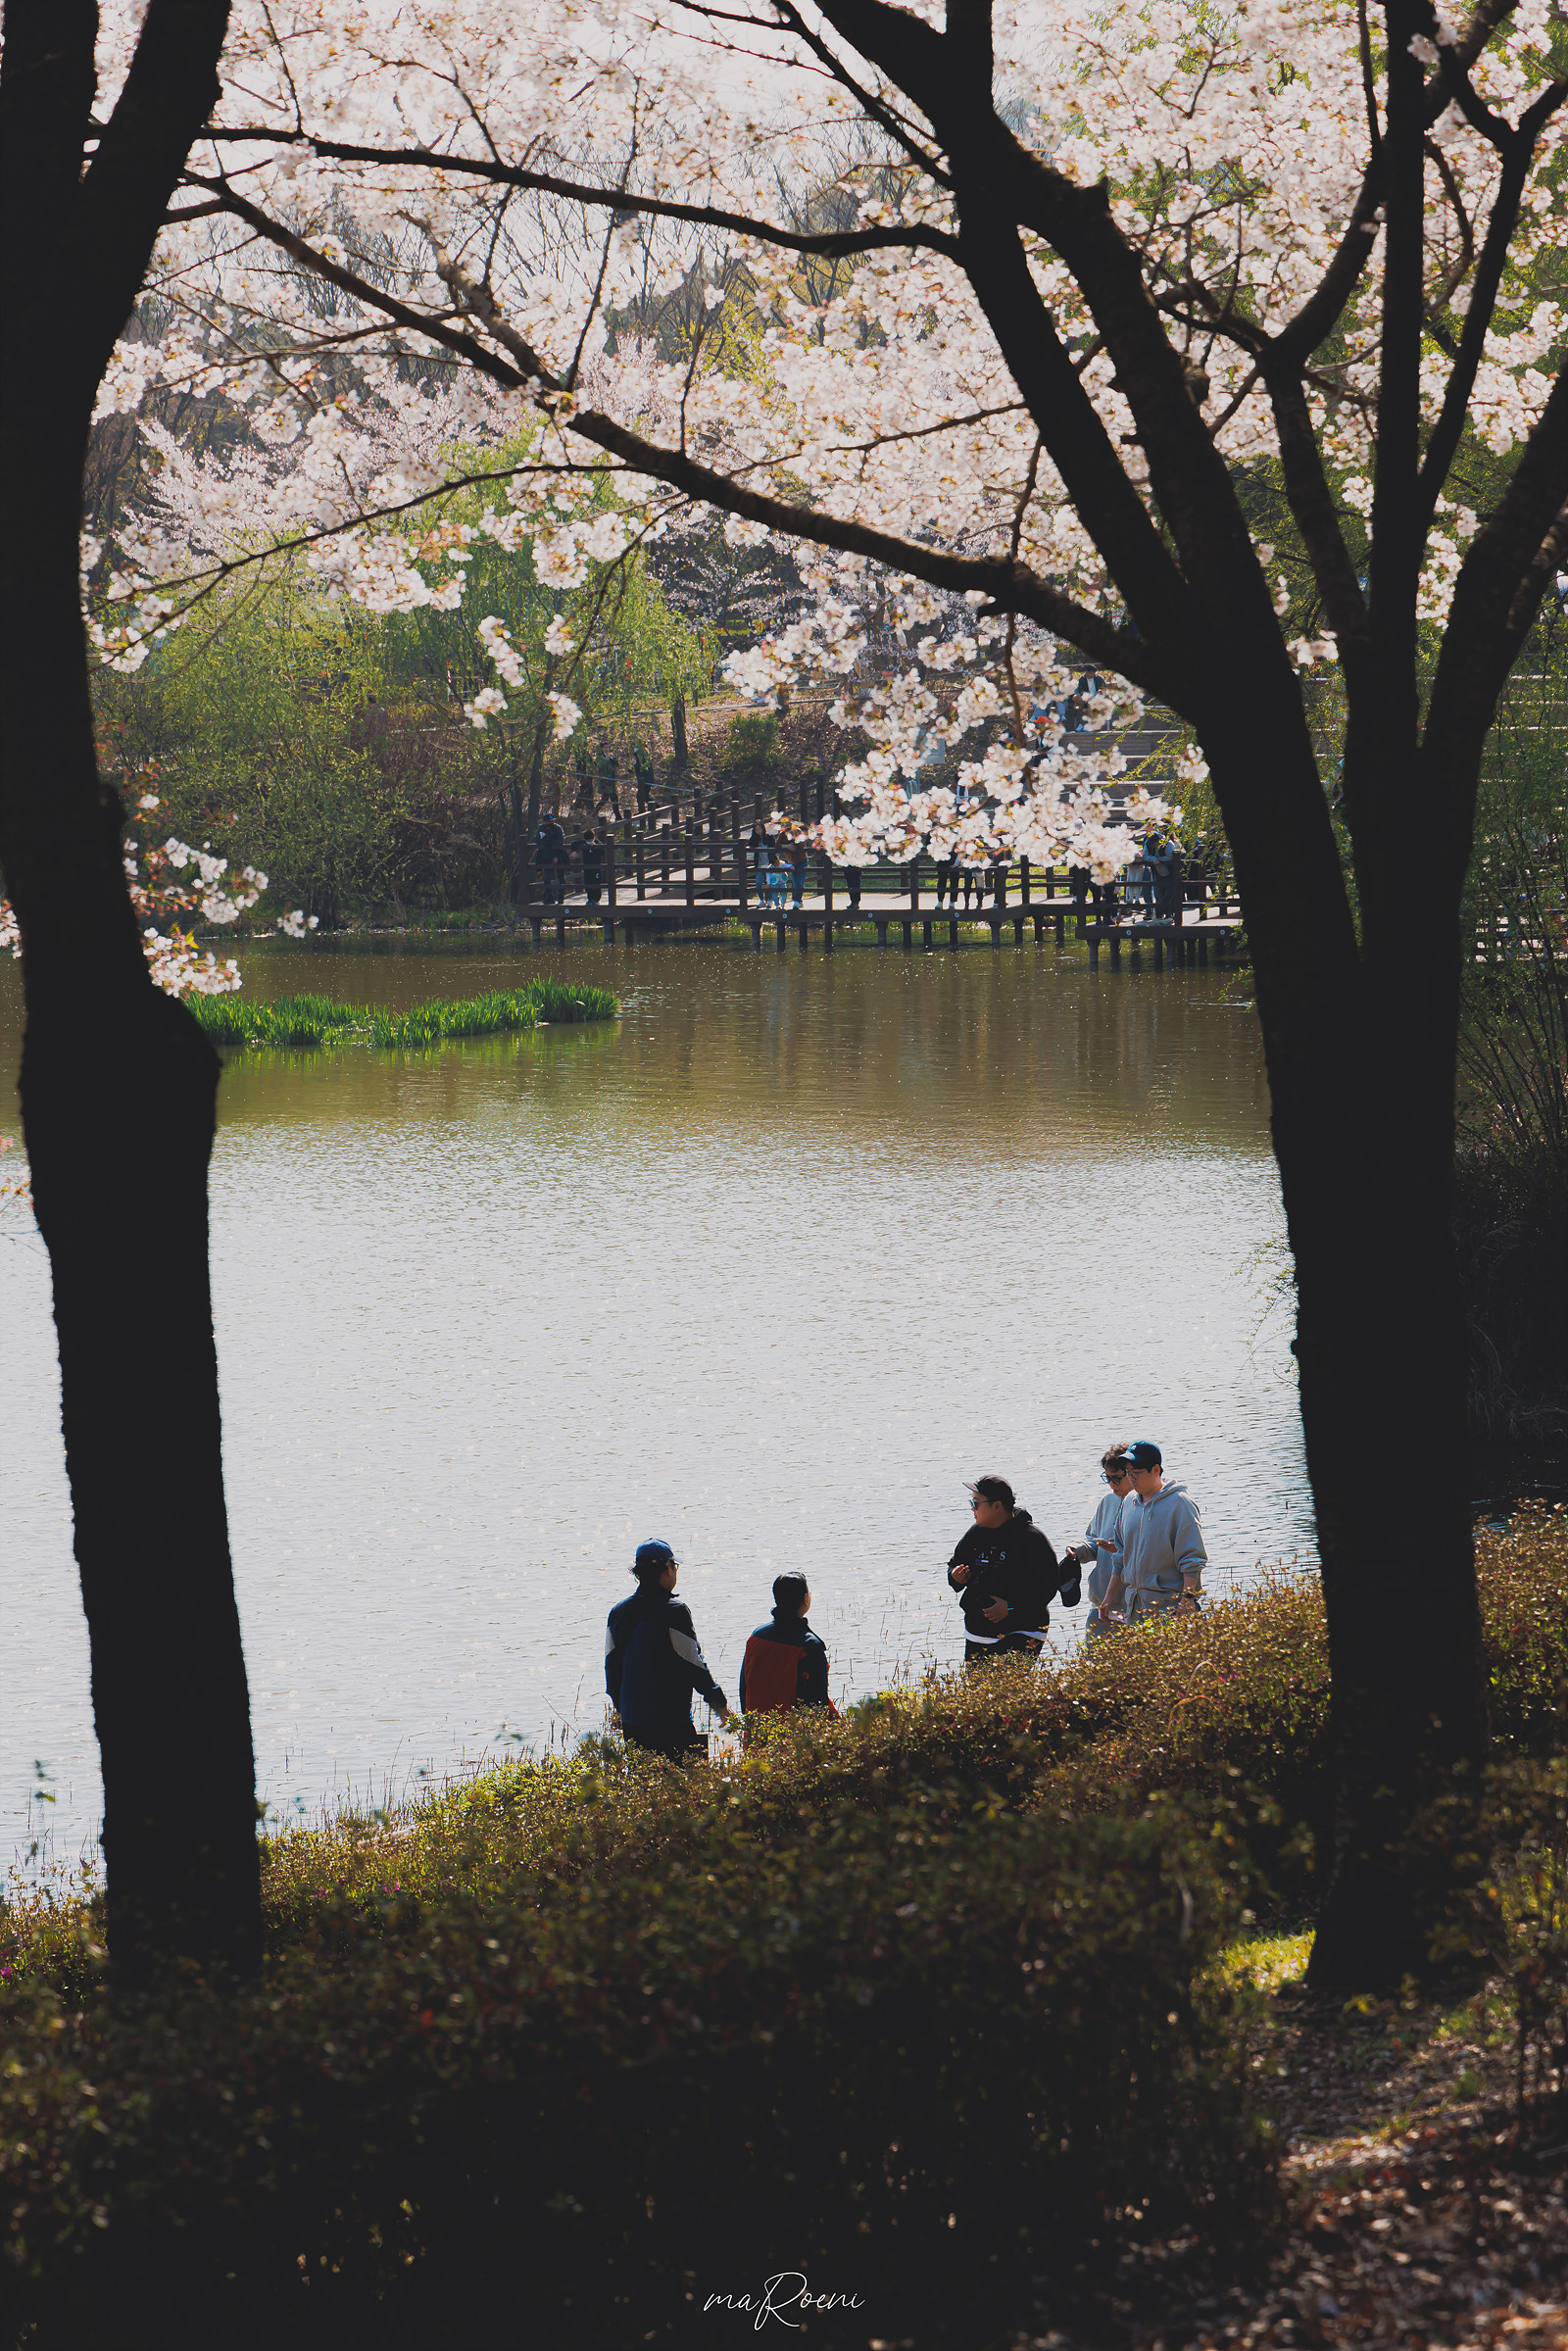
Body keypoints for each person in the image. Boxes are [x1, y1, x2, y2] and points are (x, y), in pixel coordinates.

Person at [605, 1540, 733, 1761]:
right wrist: (720, 1704)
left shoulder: (617, 1613)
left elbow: (611, 1668)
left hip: (633, 1725)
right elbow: (694, 1665)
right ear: (668, 1569)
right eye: (675, 1566)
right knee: (684, 1779)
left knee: (643, 1779)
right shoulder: (675, 1612)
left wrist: (621, 1708)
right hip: (671, 1723)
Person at [947, 1476, 1077, 1666]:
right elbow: (955, 1564)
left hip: (1024, 1629)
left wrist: (1010, 1607)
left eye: (976, 1503)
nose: (972, 1509)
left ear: (997, 1505)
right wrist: (955, 1576)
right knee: (979, 1685)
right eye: (971, 1503)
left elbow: (1048, 1586)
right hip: (979, 1631)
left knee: (1014, 1683)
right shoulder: (975, 1533)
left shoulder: (1032, 1538)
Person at [1098, 1442, 1205, 1626]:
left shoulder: (1180, 1504)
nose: (1131, 1478)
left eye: (1136, 1473)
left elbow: (1192, 1561)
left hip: (1171, 1609)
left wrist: (1186, 1601)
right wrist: (1109, 1596)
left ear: (1156, 1470)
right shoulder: (1128, 1502)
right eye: (1128, 1473)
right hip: (1135, 1608)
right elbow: (1121, 1555)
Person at [738, 1572, 836, 1723]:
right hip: (791, 1735)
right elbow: (817, 1704)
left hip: (756, 1732)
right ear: (805, 1599)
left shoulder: (756, 1636)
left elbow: (744, 1688)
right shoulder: (809, 1645)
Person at [1061, 1446, 1132, 1642]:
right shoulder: (1108, 1501)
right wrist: (1078, 1550)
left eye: (1116, 1478)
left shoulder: (1146, 1505)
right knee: (1092, 1660)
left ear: (1132, 1473)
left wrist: (1120, 1550)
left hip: (1132, 1606)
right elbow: (1094, 1541)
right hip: (1101, 1605)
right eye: (1107, 1478)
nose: (1111, 1484)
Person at [531, 813, 566, 905]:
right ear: (545, 822)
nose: (551, 823)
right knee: (547, 878)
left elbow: (560, 842)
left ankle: (561, 897)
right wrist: (549, 841)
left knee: (561, 877)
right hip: (546, 856)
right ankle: (549, 897)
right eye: (549, 821)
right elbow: (539, 840)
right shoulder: (541, 828)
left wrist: (556, 856)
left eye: (552, 821)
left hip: (558, 854)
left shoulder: (558, 828)